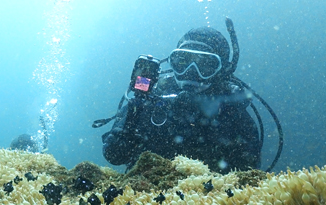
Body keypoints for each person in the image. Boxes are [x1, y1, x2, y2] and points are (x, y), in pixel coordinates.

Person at [96, 18, 282, 173]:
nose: (191, 72)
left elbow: (248, 174)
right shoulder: (150, 100)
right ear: (172, 61)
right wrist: (133, 113)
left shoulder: (234, 114)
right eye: (183, 61)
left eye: (205, 65)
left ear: (221, 71)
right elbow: (115, 155)